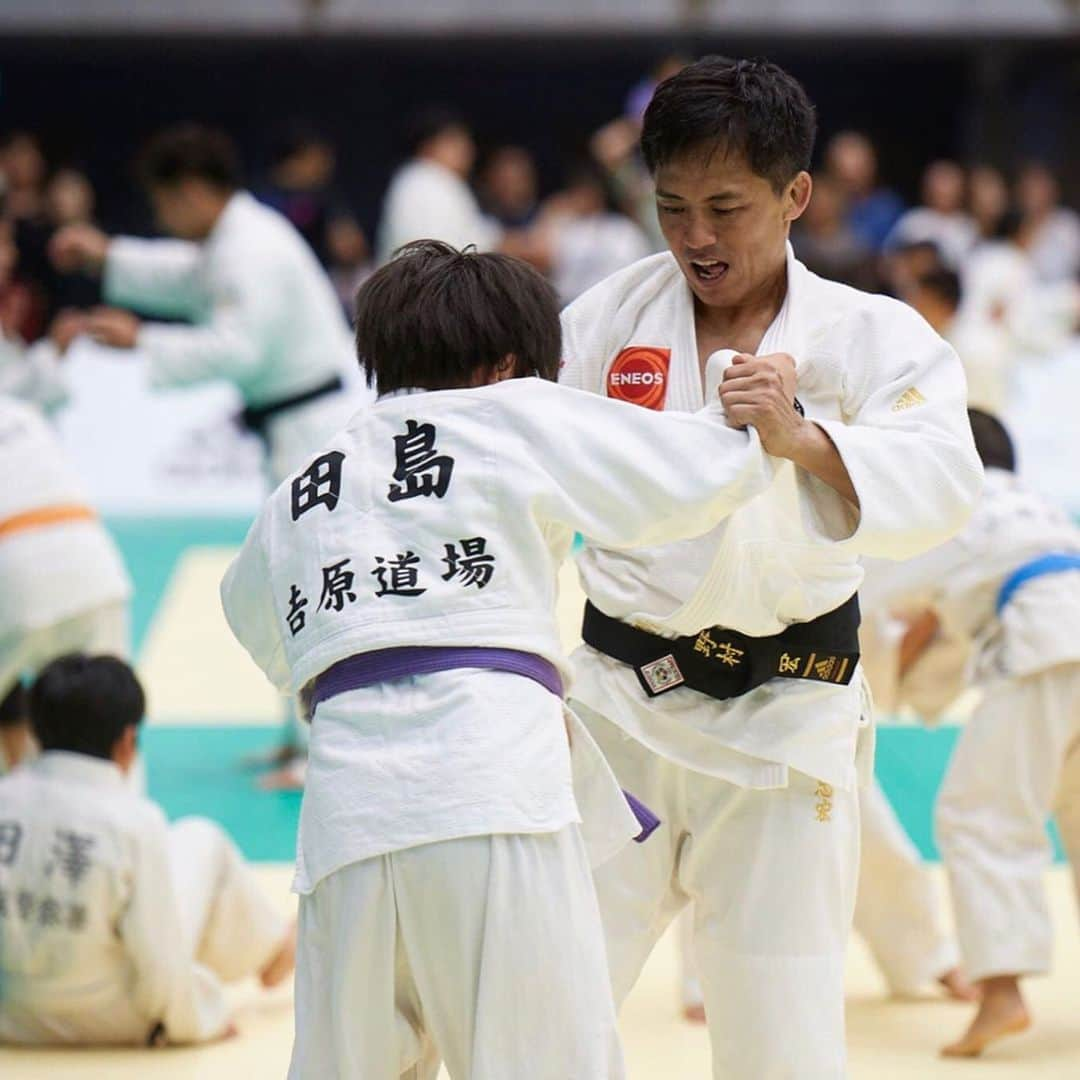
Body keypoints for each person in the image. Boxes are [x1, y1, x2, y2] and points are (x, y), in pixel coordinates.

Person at [221, 239, 795, 1080]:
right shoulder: (513, 413)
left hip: (345, 819)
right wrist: (749, 406)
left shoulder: (308, 479)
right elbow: (689, 474)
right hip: (491, 794)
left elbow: (252, 615)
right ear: (507, 366)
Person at [559, 56, 983, 1077]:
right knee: (543, 1002)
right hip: (620, 711)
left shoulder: (868, 335)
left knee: (781, 1037)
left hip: (788, 712)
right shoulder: (602, 322)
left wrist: (805, 442)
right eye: (672, 208)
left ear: (796, 196)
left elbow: (944, 481)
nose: (697, 238)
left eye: (725, 207)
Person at [862, 409, 1080, 1058]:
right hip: (1058, 631)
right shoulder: (1036, 506)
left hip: (1042, 650)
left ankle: (1002, 993)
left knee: (980, 815)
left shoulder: (951, 504)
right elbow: (957, 615)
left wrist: (887, 678)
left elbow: (870, 607)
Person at [0, 654, 296, 1046]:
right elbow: (162, 967)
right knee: (200, 839)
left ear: (35, 731)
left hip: (12, 1019)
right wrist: (197, 1022)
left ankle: (271, 946)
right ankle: (272, 948)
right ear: (127, 742)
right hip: (114, 1021)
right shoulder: (133, 822)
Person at [49, 125, 359, 485]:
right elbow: (187, 275)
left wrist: (142, 340)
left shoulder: (249, 249)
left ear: (191, 193)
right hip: (300, 425)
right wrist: (106, 256)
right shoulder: (233, 240)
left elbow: (238, 350)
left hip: (311, 430)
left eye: (161, 204)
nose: (159, 219)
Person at [0, 395, 131, 752]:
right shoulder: (22, 410)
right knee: (110, 717)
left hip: (14, 576)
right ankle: (127, 804)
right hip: (95, 570)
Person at [376, 108, 502, 263]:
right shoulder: (424, 180)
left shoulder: (436, 180)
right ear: (428, 146)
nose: (467, 150)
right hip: (422, 283)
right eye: (455, 142)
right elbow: (442, 255)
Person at [544, 161, 652, 304]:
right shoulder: (562, 225)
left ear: (600, 194)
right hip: (569, 305)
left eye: (589, 193)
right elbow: (540, 258)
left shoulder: (623, 229)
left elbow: (641, 271)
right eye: (578, 193)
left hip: (615, 303)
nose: (584, 199)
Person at [885, 160, 976, 269]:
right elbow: (890, 257)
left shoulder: (969, 226)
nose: (944, 190)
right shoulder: (914, 221)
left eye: (950, 182)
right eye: (940, 182)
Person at [825, 130, 905, 252]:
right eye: (843, 171)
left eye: (857, 169)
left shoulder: (887, 208)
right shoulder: (820, 207)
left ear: (871, 166)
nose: (850, 177)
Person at [1015, 161, 1080, 284]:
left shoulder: (1067, 224)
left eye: (1037, 186)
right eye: (1027, 188)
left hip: (1063, 296)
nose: (1032, 193)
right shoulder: (1015, 226)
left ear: (1052, 189)